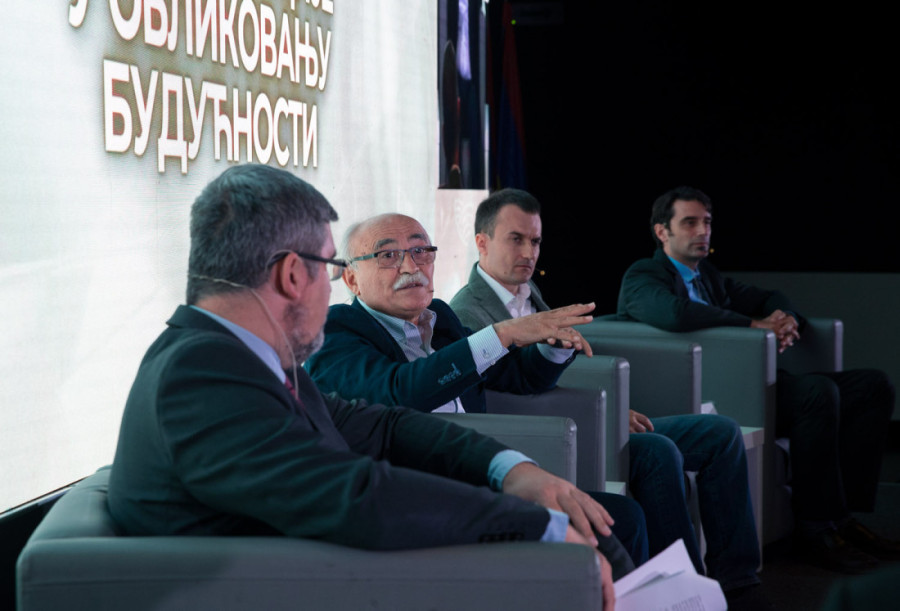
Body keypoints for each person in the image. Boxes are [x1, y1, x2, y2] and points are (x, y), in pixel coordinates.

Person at [106, 164, 626, 606]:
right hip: (324, 586)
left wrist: (511, 470)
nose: (333, 286)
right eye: (332, 267)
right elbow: (355, 497)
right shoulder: (202, 375)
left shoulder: (240, 358)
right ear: (293, 275)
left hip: (336, 572)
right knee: (591, 536)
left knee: (596, 526)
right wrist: (537, 524)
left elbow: (385, 427)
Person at [448, 188, 761, 597]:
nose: (529, 252)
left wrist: (611, 408)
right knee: (656, 451)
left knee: (720, 433)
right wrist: (601, 415)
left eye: (536, 241)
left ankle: (737, 581)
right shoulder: (466, 312)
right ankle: (683, 590)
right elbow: (509, 391)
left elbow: (559, 371)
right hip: (551, 435)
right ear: (482, 242)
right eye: (516, 239)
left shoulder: (528, 293)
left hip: (591, 417)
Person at [304, 211, 649, 574]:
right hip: (415, 496)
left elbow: (515, 376)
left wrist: (554, 346)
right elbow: (399, 391)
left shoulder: (439, 317)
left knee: (619, 516)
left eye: (421, 251)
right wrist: (503, 333)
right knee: (615, 521)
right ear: (352, 278)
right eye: (388, 255)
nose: (411, 266)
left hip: (482, 472)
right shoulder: (335, 330)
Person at [618, 185, 897, 574]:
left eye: (707, 222)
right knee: (817, 392)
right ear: (662, 231)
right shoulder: (643, 274)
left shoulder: (708, 276)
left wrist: (785, 319)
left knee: (871, 386)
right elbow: (673, 313)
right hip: (712, 392)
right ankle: (816, 527)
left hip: (751, 380)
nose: (703, 231)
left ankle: (842, 517)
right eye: (690, 222)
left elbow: (771, 296)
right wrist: (753, 325)